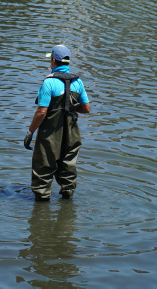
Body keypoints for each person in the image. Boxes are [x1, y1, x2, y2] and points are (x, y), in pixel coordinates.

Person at [24, 45, 91, 201]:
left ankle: (41, 209)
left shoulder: (49, 82)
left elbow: (41, 112)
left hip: (50, 134)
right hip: (72, 133)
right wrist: (68, 107)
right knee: (68, 167)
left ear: (53, 61)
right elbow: (86, 109)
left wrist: (30, 132)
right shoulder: (78, 82)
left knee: (43, 168)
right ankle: (67, 203)